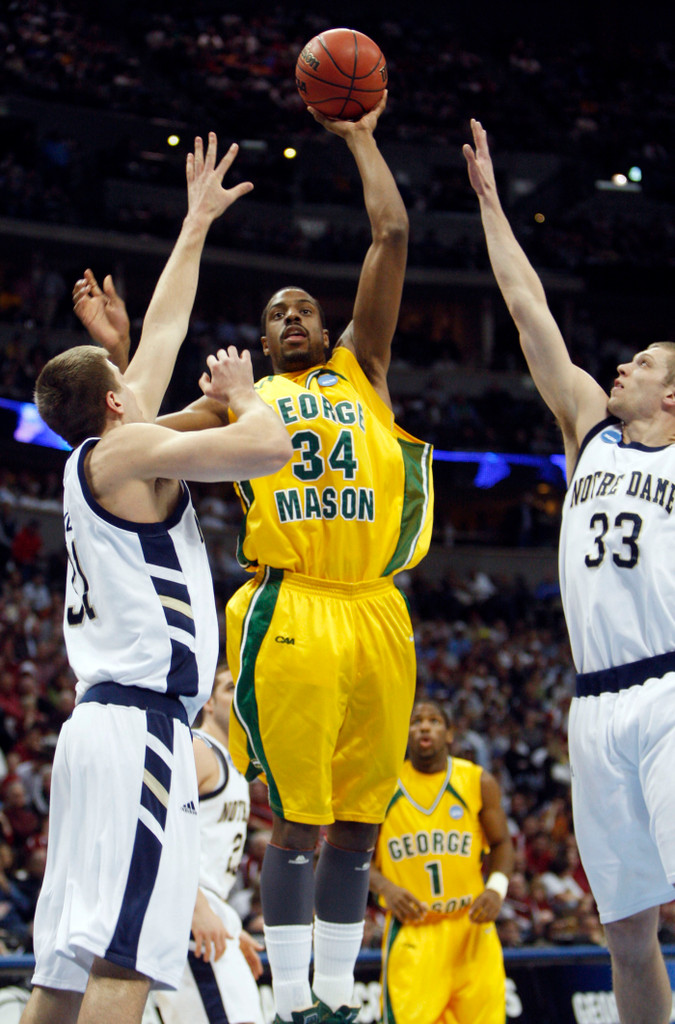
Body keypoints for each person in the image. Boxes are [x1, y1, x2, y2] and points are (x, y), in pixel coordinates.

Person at [76, 94, 434, 1024]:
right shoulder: (245, 398)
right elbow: (138, 422)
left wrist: (359, 138)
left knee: (362, 817)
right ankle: (289, 1003)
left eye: (306, 308)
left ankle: (335, 994)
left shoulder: (365, 367)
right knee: (302, 818)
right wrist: (120, 357)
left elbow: (390, 235)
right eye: (277, 313)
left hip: (379, 604)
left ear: (329, 327)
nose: (292, 317)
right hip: (295, 603)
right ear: (265, 339)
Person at [20, 134, 292, 1024]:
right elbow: (266, 448)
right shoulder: (129, 444)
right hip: (139, 729)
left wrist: (195, 223)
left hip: (97, 729)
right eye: (124, 375)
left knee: (62, 969)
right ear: (110, 400)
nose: (140, 375)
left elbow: (163, 334)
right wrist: (246, 393)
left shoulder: (102, 456)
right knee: (125, 964)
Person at [464, 117, 675, 1024]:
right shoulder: (587, 430)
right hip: (591, 707)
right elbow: (527, 311)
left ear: (672, 395)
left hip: (669, 690)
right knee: (623, 929)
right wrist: (488, 206)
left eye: (641, 363)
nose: (618, 366)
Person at [369, 699, 514, 1024]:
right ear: (404, 732)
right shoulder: (383, 787)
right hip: (415, 933)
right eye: (416, 721)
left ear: (449, 734)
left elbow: (502, 843)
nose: (423, 726)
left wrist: (496, 889)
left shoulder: (477, 781)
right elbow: (356, 858)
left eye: (434, 721)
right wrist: (386, 889)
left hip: (472, 931)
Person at [153, 662, 265, 1024]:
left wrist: (230, 924)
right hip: (185, 907)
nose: (240, 697)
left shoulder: (235, 763)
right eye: (230, 688)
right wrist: (199, 910)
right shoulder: (200, 750)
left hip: (206, 905)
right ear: (210, 703)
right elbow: (157, 832)